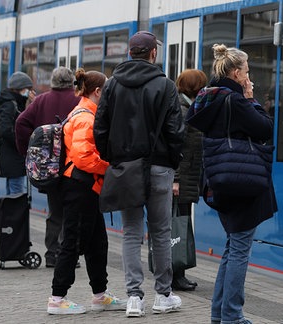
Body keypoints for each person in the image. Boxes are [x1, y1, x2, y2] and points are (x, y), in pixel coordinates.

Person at [94, 30, 185, 317]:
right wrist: (171, 161)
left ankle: (134, 298)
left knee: (131, 232)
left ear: (129, 52)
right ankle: (163, 294)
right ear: (153, 54)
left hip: (126, 168)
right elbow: (175, 131)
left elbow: (100, 127)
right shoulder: (166, 85)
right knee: (161, 232)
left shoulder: (112, 85)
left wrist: (115, 158)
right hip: (159, 167)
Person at [186, 44, 277, 324]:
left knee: (232, 247)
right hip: (242, 181)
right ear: (236, 73)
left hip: (221, 180)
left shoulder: (209, 97)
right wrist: (251, 98)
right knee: (239, 249)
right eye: (247, 72)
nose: (249, 78)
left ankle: (220, 314)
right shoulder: (235, 101)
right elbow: (264, 128)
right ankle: (232, 316)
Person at [47, 68, 126, 315]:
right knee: (72, 242)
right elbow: (83, 158)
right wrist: (109, 167)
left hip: (86, 188)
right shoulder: (85, 118)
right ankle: (57, 299)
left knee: (97, 243)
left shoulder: (84, 112)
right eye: (107, 92)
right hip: (79, 187)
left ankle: (99, 295)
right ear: (98, 91)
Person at [15, 67, 81, 268]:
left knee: (55, 212)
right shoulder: (78, 101)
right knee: (74, 212)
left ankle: (52, 254)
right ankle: (69, 254)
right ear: (71, 82)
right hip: (74, 164)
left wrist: (29, 150)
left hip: (49, 167)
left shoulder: (41, 100)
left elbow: (21, 123)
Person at [171, 68, 208, 291]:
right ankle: (176, 275)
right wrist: (175, 179)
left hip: (187, 175)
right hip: (181, 177)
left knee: (181, 224)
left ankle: (177, 273)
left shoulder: (188, 106)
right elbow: (176, 146)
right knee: (179, 225)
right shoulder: (182, 109)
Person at [0, 71, 35, 195]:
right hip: (12, 156)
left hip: (10, 155)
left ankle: (10, 214)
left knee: (13, 191)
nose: (30, 92)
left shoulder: (12, 102)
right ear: (21, 88)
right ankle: (13, 214)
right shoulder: (10, 104)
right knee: (17, 192)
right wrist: (20, 141)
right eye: (28, 89)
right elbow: (5, 129)